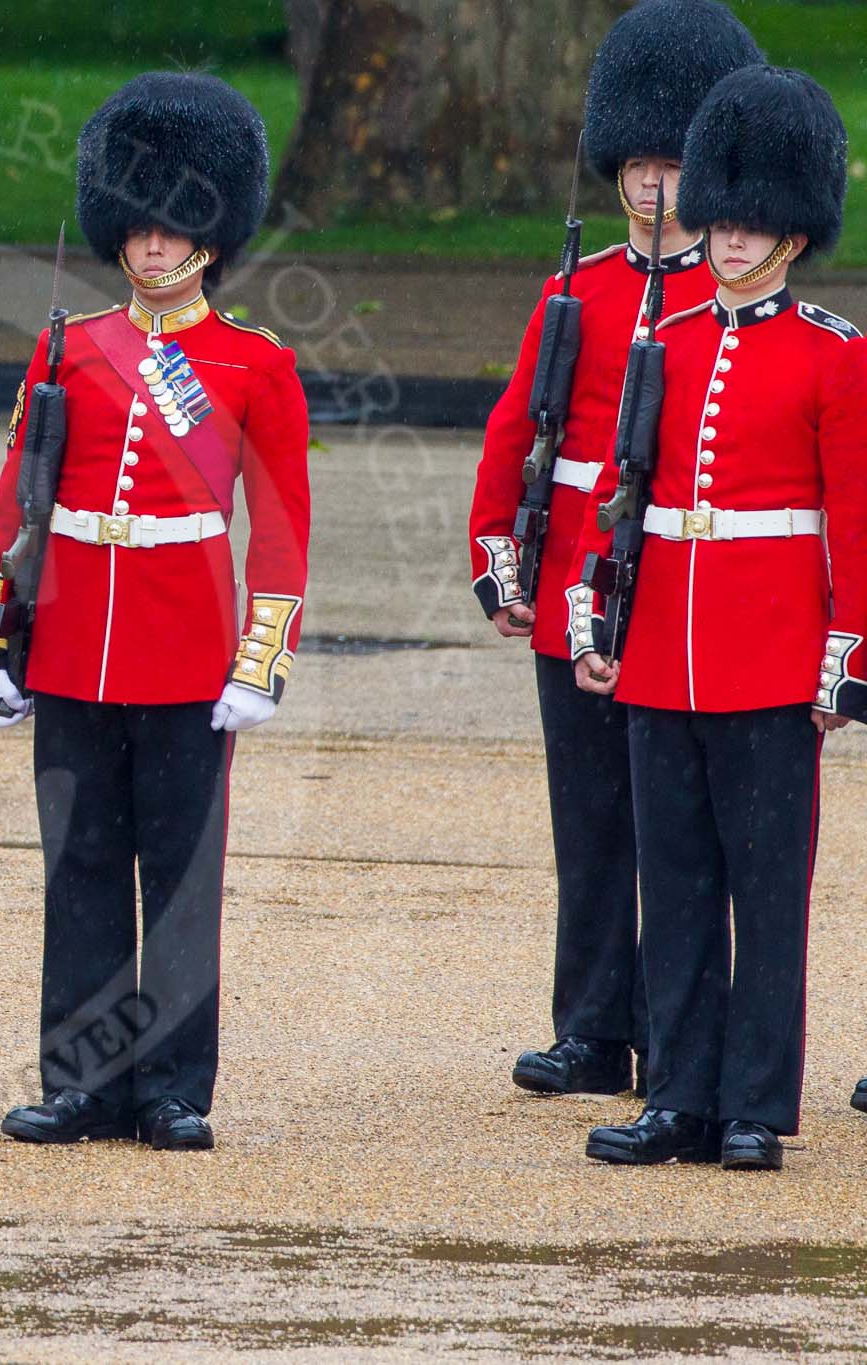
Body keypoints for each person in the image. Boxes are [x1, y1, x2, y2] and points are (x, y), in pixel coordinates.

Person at [0, 72, 310, 1151]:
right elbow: (19, 490)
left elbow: (281, 527)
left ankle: (169, 1086)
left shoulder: (254, 365)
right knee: (77, 872)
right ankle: (79, 1081)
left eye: (173, 231)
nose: (151, 249)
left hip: (184, 644)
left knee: (176, 875)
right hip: (71, 640)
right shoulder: (69, 346)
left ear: (208, 235)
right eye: (139, 230)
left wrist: (260, 656)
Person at [567, 66, 866, 1170]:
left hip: (770, 656)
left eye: (752, 226)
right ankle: (676, 1097)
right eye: (721, 222)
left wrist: (843, 652)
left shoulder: (832, 356)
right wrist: (598, 613)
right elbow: (624, 491)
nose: (730, 243)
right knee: (676, 885)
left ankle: (751, 1104)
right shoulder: (668, 339)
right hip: (661, 657)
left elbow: (854, 521)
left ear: (790, 235)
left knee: (764, 891)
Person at [466, 0, 761, 1100]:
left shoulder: (727, 303)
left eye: (672, 165)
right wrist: (496, 558)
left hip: (676, 591)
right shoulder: (572, 292)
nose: (652, 187)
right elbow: (514, 440)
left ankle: (679, 1032)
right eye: (636, 165)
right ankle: (592, 1025)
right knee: (588, 822)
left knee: (677, 835)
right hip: (570, 592)